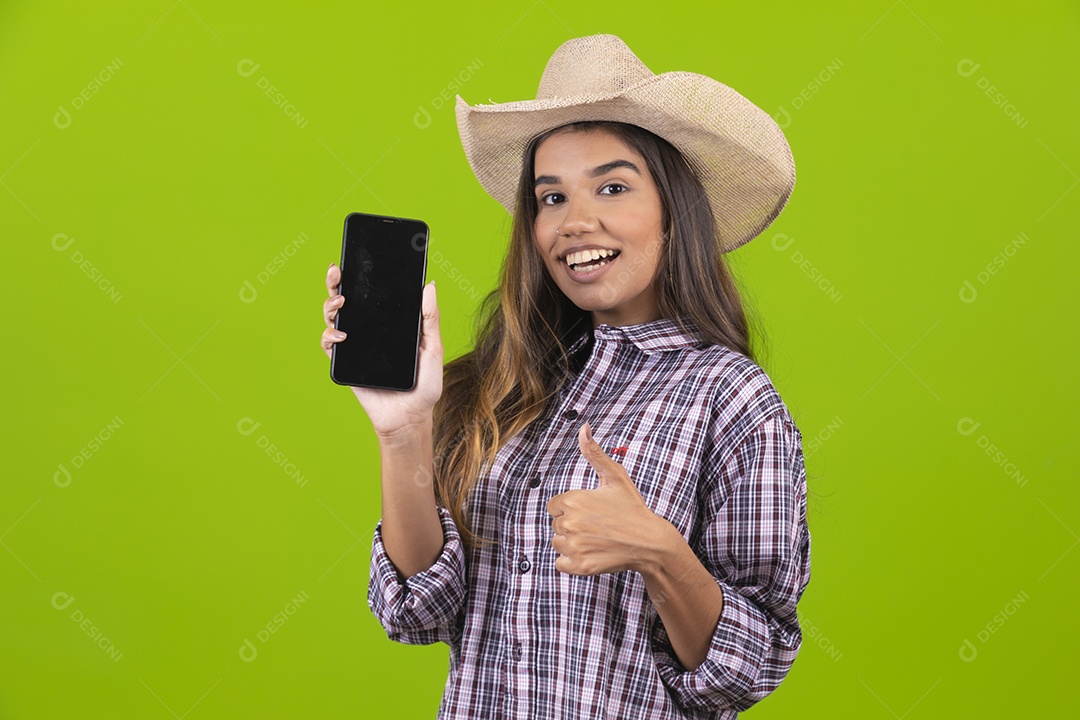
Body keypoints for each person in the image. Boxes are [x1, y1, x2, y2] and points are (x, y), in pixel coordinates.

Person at [320, 34, 810, 719]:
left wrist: (659, 553)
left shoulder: (732, 399)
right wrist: (404, 432)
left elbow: (747, 668)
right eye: (550, 198)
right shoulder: (501, 385)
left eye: (612, 187)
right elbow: (417, 611)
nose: (575, 223)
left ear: (674, 211)